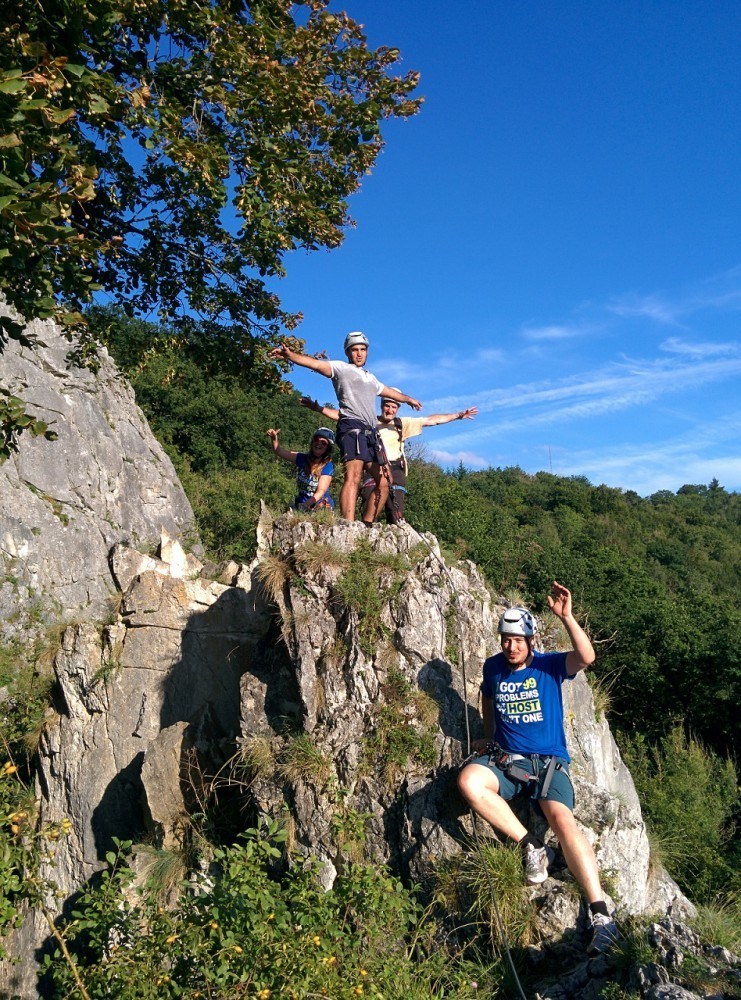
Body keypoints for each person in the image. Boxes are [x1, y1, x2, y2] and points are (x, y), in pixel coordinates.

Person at [457, 581, 618, 954]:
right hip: (508, 761)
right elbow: (487, 696)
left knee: (562, 822)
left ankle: (601, 915)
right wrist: (486, 735)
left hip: (547, 764)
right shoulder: (494, 667)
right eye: (505, 639)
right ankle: (531, 845)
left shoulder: (549, 666)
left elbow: (588, 657)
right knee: (469, 782)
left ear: (530, 641)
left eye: (517, 639)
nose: (510, 646)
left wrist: (567, 618)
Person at [270, 333, 421, 524]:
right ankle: (349, 525)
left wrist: (408, 399)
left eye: (363, 349)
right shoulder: (341, 368)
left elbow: (389, 391)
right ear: (348, 352)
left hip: (371, 433)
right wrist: (290, 356)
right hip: (352, 427)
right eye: (354, 349)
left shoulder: (371, 378)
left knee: (384, 482)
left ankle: (367, 524)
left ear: (367, 352)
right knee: (354, 476)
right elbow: (315, 364)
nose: (359, 354)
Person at [301, 393, 478, 524]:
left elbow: (431, 420)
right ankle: (365, 531)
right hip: (372, 467)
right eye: (387, 405)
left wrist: (458, 415)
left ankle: (395, 543)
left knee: (395, 511)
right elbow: (341, 416)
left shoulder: (402, 424)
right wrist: (317, 408)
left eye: (394, 407)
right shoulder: (368, 420)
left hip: (395, 468)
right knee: (369, 507)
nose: (390, 410)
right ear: (382, 405)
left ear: (397, 409)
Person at [265, 426, 336, 511]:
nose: (319, 443)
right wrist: (274, 438)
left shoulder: (328, 466)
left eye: (323, 442)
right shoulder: (302, 458)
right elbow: (279, 451)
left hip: (320, 509)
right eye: (316, 439)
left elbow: (321, 491)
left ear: (328, 448)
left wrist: (306, 505)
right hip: (301, 506)